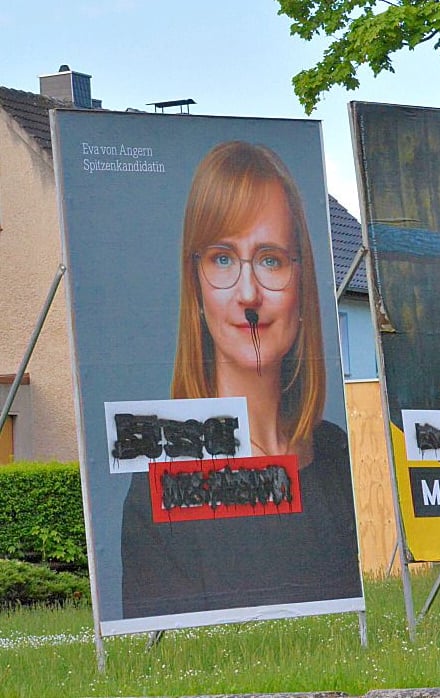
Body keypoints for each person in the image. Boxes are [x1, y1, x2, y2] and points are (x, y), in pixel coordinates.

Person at [121, 141, 362, 618]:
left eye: (270, 259)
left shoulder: (337, 458)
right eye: (223, 259)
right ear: (195, 279)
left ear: (302, 276)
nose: (248, 293)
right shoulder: (163, 479)